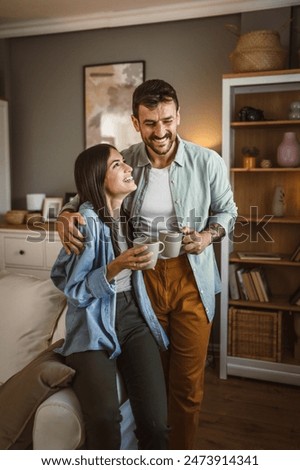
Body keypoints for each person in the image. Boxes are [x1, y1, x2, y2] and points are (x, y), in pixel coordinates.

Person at [58, 79, 237, 450]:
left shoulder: (207, 162)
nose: (161, 131)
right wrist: (64, 215)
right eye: (150, 123)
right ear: (136, 123)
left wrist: (206, 237)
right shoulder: (124, 162)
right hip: (142, 281)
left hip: (192, 280)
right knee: (155, 381)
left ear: (178, 116)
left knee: (187, 385)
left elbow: (228, 212)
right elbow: (83, 196)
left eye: (167, 121)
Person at [51, 143, 169, 450]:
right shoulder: (86, 222)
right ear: (99, 178)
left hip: (132, 317)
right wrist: (117, 266)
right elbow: (74, 290)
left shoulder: (127, 216)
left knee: (157, 425)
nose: (129, 168)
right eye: (118, 165)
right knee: (104, 420)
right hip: (92, 323)